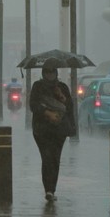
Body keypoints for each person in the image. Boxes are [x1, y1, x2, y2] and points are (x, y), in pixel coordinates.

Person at [29, 67, 75, 202]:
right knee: (47, 158)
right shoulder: (38, 86)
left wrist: (61, 96)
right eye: (47, 72)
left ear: (56, 73)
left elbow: (70, 107)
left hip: (58, 130)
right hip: (41, 130)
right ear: (43, 73)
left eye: (52, 72)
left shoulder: (62, 87)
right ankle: (48, 189)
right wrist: (46, 112)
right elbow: (33, 105)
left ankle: (51, 190)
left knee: (55, 159)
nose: (50, 75)